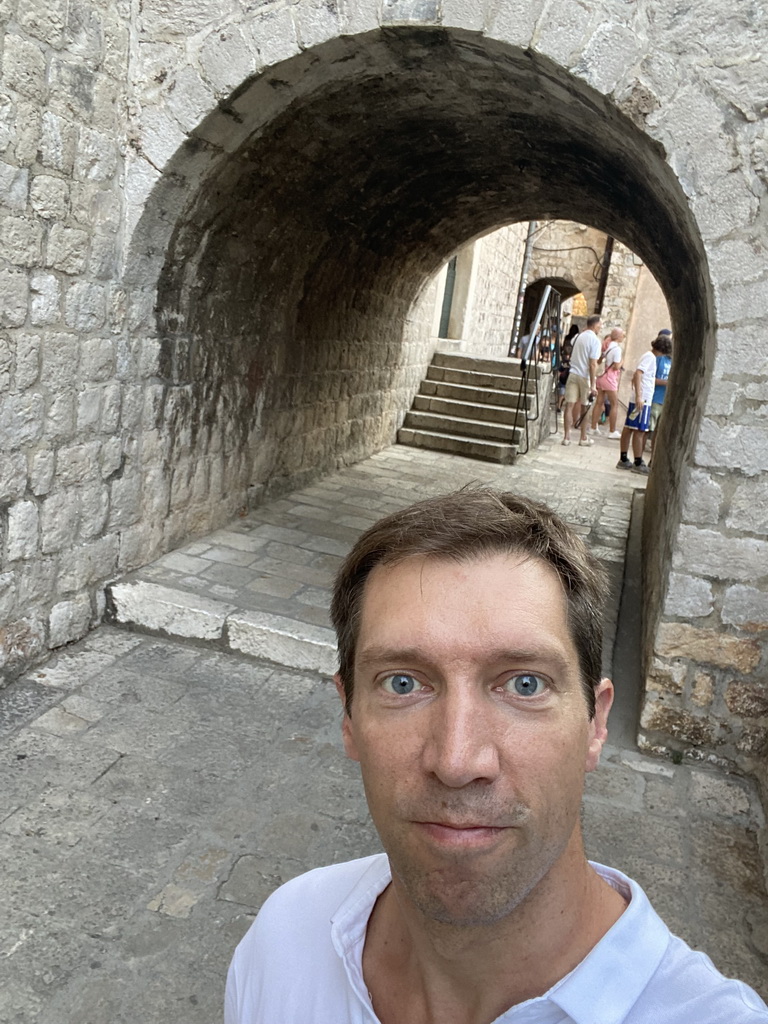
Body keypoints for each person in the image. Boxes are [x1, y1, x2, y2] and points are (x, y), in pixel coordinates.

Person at [225, 489, 768, 1024]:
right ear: (349, 717)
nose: (457, 761)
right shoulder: (285, 943)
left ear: (595, 723)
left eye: (525, 685)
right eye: (403, 682)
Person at [616, 335, 665, 474]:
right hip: (643, 399)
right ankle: (638, 461)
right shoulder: (650, 358)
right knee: (640, 430)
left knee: (629, 427)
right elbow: (638, 374)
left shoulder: (648, 356)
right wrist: (639, 396)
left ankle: (624, 458)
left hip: (641, 398)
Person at [562, 314, 601, 446]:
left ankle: (567, 437)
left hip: (573, 373)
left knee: (569, 405)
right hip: (585, 376)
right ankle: (583, 437)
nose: (600, 328)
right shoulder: (595, 341)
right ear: (595, 325)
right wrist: (593, 385)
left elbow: (572, 344)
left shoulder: (578, 336)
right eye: (600, 325)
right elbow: (592, 364)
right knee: (585, 407)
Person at [589, 327, 624, 438]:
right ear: (618, 337)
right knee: (614, 404)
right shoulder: (617, 349)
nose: (623, 337)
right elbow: (617, 366)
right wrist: (622, 360)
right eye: (622, 335)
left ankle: (593, 427)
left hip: (602, 377)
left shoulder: (606, 346)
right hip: (610, 378)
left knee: (599, 402)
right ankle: (612, 430)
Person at [646, 333, 672, 460]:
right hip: (656, 398)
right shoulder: (658, 359)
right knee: (647, 429)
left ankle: (653, 459)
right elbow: (650, 378)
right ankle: (639, 459)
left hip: (666, 401)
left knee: (659, 432)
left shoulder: (673, 362)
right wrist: (667, 383)